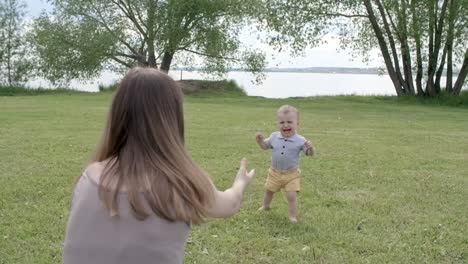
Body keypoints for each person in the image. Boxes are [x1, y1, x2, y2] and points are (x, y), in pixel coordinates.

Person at [62, 67, 255, 264]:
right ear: (173, 119)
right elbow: (229, 205)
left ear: (118, 114)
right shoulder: (182, 182)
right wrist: (240, 183)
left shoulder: (88, 177)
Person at [255, 105, 314, 223]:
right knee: (269, 190)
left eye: (289, 122)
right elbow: (265, 147)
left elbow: (309, 154)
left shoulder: (300, 140)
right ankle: (266, 206)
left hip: (291, 174)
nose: (285, 125)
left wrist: (310, 148)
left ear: (297, 124)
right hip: (274, 172)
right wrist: (260, 141)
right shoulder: (274, 136)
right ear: (278, 123)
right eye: (282, 122)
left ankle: (292, 216)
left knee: (291, 196)